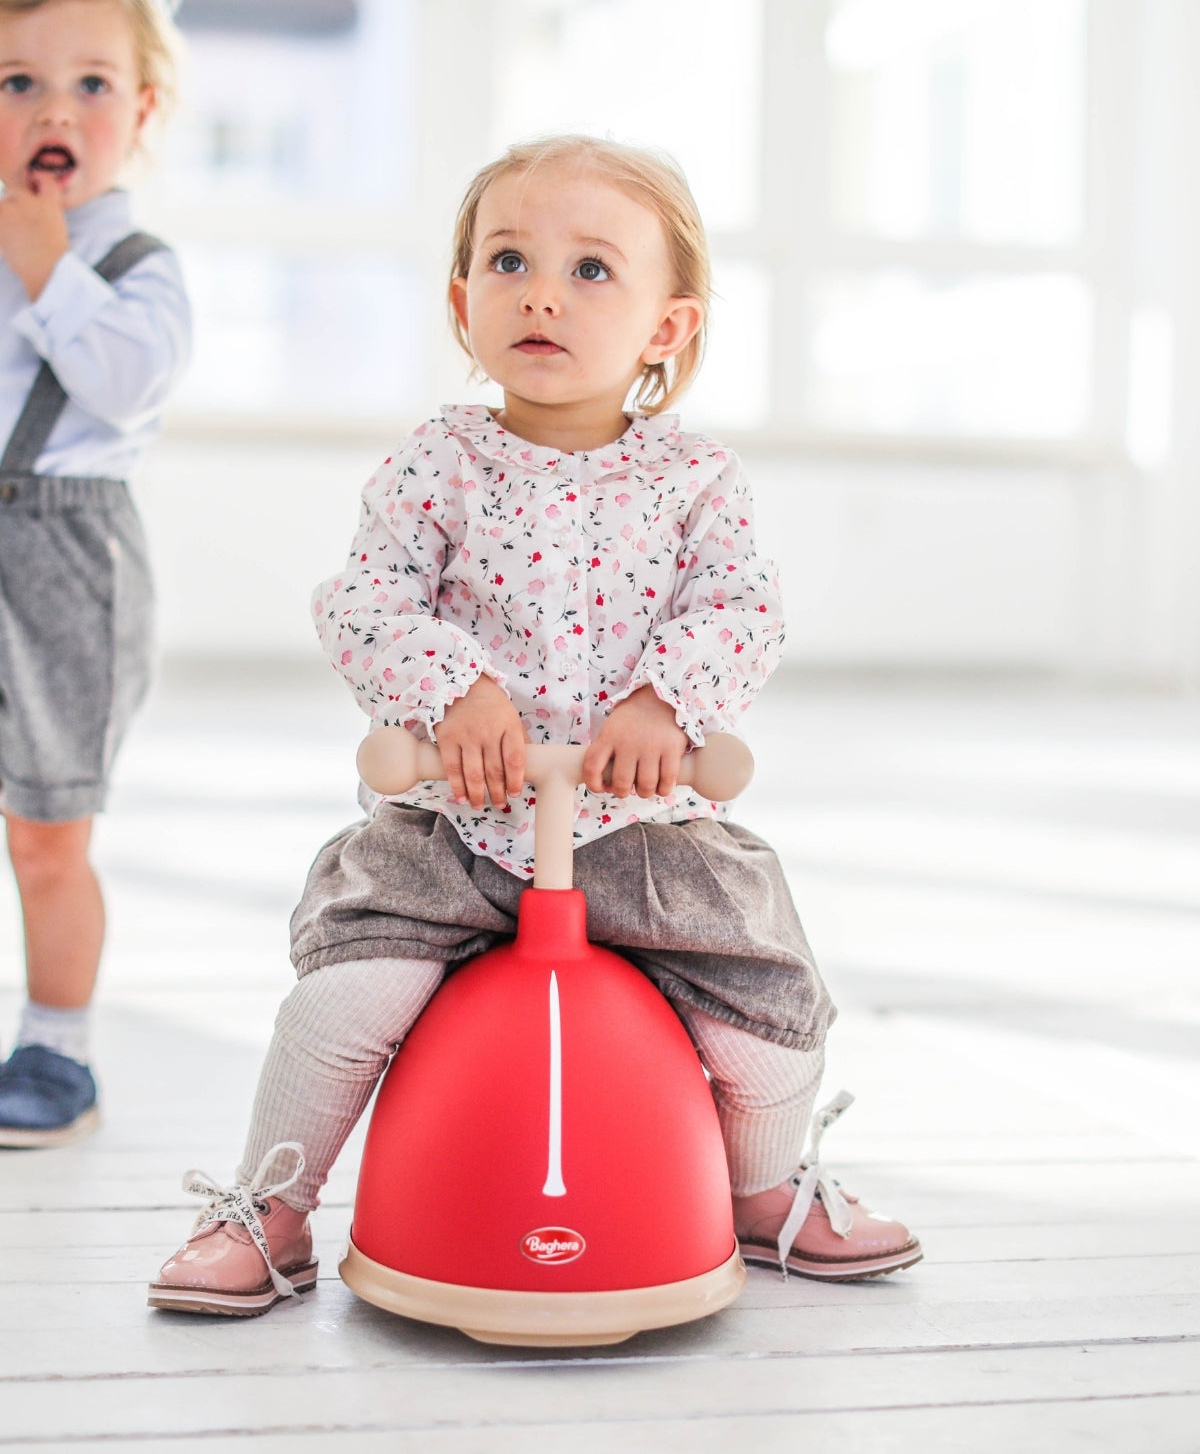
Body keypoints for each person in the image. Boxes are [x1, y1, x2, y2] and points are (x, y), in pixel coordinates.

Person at [149, 135, 920, 1317]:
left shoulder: (695, 480)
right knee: (342, 1004)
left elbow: (746, 609)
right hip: (450, 827)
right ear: (464, 304)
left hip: (650, 832)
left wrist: (668, 700)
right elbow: (363, 600)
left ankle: (765, 1191)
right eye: (508, 260)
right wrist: (451, 691)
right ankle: (274, 1210)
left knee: (768, 1013)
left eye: (593, 269)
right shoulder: (439, 464)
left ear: (669, 327)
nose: (542, 291)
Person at [0, 0, 190, 1146]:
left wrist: (46, 269)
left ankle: (57, 1039)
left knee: (50, 828)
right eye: (17, 81)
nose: (55, 110)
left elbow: (122, 387)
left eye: (90, 82)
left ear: (143, 110)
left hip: (67, 561)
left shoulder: (133, 268)